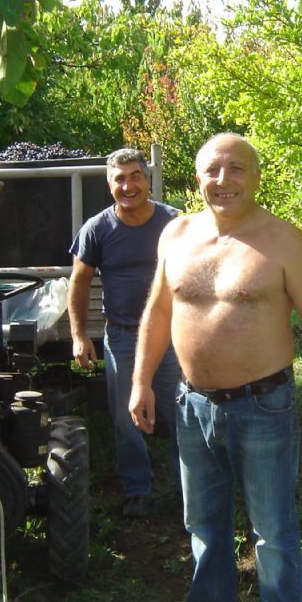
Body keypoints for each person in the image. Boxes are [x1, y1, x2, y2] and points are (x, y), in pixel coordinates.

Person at [129, 134, 302, 602]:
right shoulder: (175, 235)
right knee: (202, 524)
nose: (223, 181)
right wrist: (139, 382)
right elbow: (158, 312)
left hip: (263, 408)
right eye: (212, 170)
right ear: (195, 177)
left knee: (273, 532)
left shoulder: (285, 242)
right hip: (191, 405)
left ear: (257, 176)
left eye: (236, 169)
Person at [68, 148, 181, 518]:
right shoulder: (97, 229)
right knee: (125, 416)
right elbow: (79, 282)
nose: (128, 185)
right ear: (109, 184)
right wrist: (80, 335)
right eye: (120, 179)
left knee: (181, 410)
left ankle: (191, 488)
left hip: (169, 334)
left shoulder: (174, 222)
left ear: (147, 179)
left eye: (135, 176)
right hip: (122, 336)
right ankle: (138, 489)